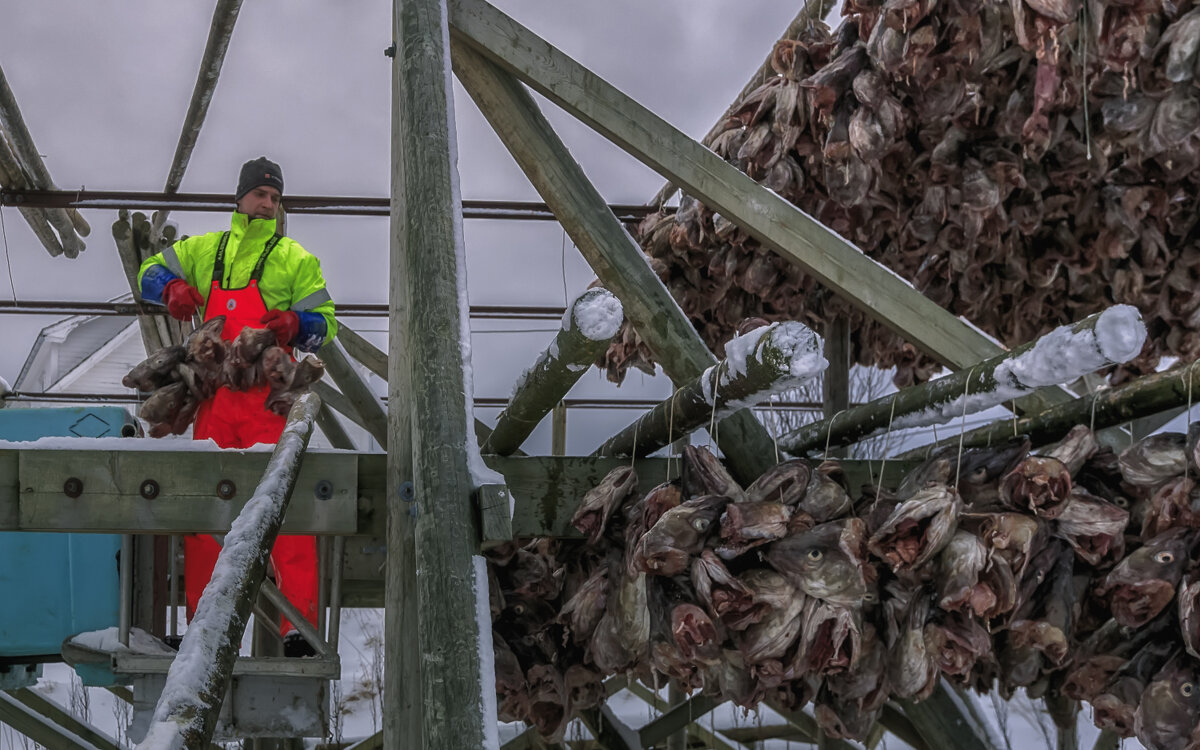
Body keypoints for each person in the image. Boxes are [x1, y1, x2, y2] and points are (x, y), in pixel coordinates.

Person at [137, 156, 336, 656]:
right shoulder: (204, 250)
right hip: (216, 404)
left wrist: (297, 323)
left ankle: (299, 633)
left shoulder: (296, 258)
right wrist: (173, 288)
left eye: (274, 197)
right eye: (260, 195)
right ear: (241, 197)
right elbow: (148, 272)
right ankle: (200, 632)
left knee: (286, 517)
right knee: (207, 515)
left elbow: (325, 322)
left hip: (270, 404)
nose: (267, 203)